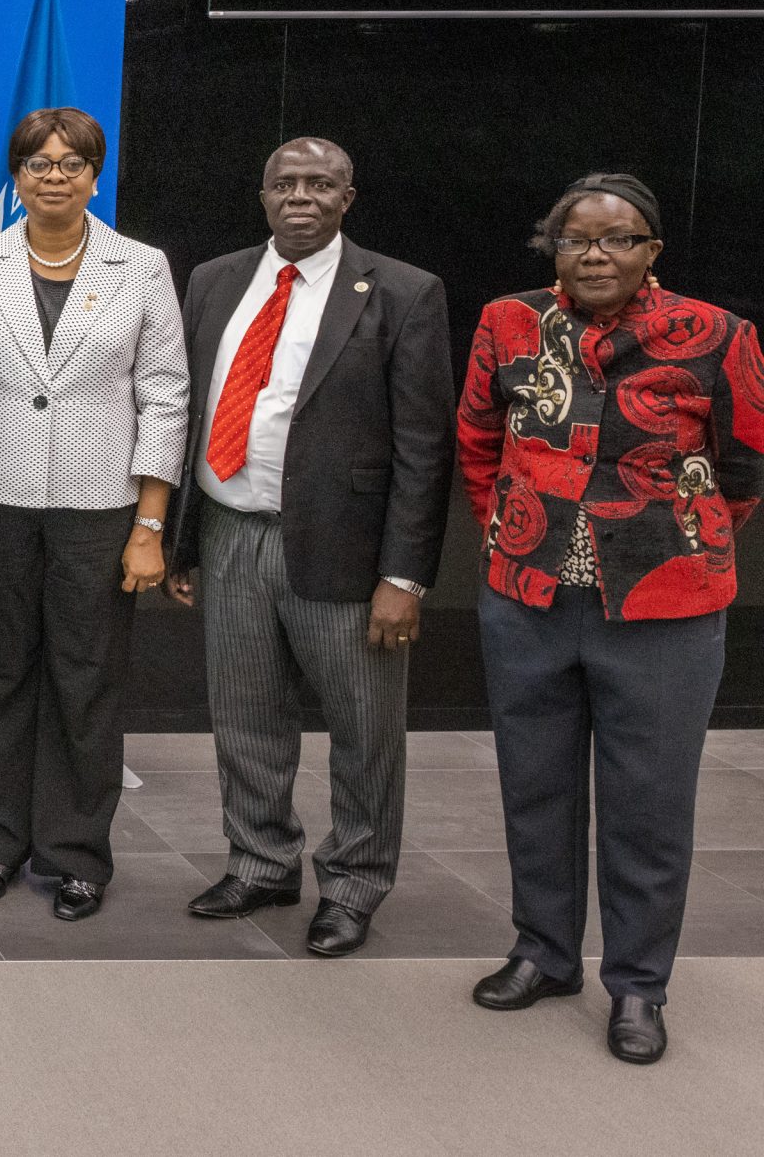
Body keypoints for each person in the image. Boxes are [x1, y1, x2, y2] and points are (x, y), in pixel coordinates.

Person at [457, 173, 764, 1065]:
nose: (596, 254)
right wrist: (517, 530)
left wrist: (674, 535)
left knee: (649, 806)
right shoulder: (507, 322)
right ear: (553, 248)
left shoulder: (718, 334)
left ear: (652, 251)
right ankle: (544, 954)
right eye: (577, 239)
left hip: (665, 609)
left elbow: (744, 465)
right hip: (528, 596)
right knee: (535, 787)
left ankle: (637, 986)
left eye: (619, 239)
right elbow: (479, 440)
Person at [162, 139, 454, 957]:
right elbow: (185, 408)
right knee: (245, 715)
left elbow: (425, 449)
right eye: (285, 183)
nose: (301, 196)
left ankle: (355, 884)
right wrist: (182, 541)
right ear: (262, 195)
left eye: (319, 184)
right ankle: (261, 861)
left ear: (348, 197)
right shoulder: (214, 279)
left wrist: (404, 575)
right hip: (228, 531)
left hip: (349, 551)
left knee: (364, 727)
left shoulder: (401, 291)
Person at [0, 108, 188, 922]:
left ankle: (76, 854)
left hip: (101, 509)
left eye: (72, 163)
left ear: (96, 173)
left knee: (86, 683)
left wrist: (150, 527)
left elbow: (165, 396)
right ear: (15, 176)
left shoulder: (141, 266)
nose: (55, 175)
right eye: (38, 162)